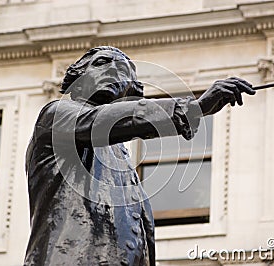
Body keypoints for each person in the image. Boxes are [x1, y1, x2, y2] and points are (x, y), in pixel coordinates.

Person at [24, 46, 255, 266]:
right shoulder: (56, 115)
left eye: (122, 71)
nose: (113, 71)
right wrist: (195, 108)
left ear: (128, 92)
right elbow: (103, 120)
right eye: (102, 63)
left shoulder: (120, 156)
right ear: (78, 78)